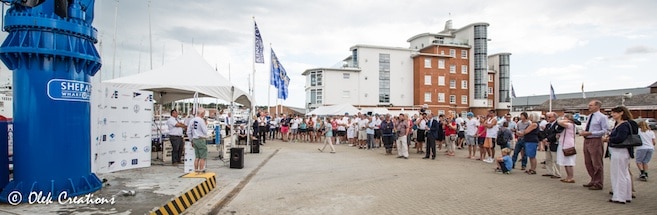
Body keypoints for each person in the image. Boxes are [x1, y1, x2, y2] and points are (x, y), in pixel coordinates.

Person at [603, 106, 636, 204]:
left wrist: (608, 139)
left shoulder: (624, 125)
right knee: (624, 173)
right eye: (612, 113)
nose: (613, 115)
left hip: (620, 151)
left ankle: (619, 197)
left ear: (621, 113)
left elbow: (620, 138)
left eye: (615, 113)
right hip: (618, 151)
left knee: (618, 174)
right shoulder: (619, 124)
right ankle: (626, 195)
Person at [580, 100, 609, 190]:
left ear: (597, 106)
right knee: (588, 162)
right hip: (587, 140)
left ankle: (598, 183)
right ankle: (593, 179)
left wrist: (590, 133)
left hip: (595, 140)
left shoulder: (602, 117)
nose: (589, 107)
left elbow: (605, 130)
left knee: (596, 162)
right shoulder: (589, 116)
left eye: (591, 105)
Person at [557, 113, 578, 183]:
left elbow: (559, 122)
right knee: (565, 161)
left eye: (564, 118)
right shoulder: (568, 125)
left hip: (568, 145)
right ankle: (568, 176)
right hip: (563, 144)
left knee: (569, 161)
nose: (563, 119)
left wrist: (567, 121)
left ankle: (571, 177)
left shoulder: (570, 125)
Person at [187, 107, 209, 173]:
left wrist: (191, 140)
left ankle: (196, 170)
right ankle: (201, 169)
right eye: (204, 113)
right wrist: (205, 125)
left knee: (197, 156)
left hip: (194, 139)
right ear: (202, 113)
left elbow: (188, 131)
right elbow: (205, 131)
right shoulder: (201, 121)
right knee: (203, 156)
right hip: (201, 139)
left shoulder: (192, 120)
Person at [541, 112, 562, 179]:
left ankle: (557, 173)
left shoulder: (558, 125)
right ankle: (549, 171)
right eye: (547, 117)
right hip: (547, 144)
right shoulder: (547, 125)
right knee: (548, 159)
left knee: (555, 159)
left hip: (554, 143)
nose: (548, 118)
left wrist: (548, 139)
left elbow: (556, 134)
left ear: (554, 117)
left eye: (550, 117)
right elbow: (544, 133)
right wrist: (544, 139)